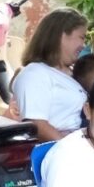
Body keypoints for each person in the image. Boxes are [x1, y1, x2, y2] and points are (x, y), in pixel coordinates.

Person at [11, 8, 88, 143]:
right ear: (62, 35)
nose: (83, 45)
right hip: (62, 150)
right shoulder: (35, 73)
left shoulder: (69, 73)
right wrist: (72, 149)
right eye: (81, 37)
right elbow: (37, 124)